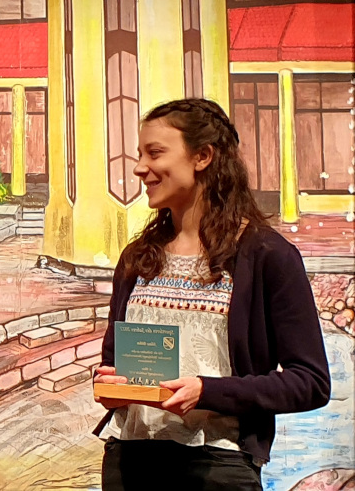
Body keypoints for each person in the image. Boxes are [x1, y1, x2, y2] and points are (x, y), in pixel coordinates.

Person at [92, 98, 330, 490]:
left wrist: (207, 391)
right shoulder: (137, 258)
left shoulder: (267, 256)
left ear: (202, 156)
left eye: (155, 153)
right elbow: (113, 361)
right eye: (140, 154)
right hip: (129, 462)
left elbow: (311, 382)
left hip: (219, 466)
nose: (139, 168)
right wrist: (110, 386)